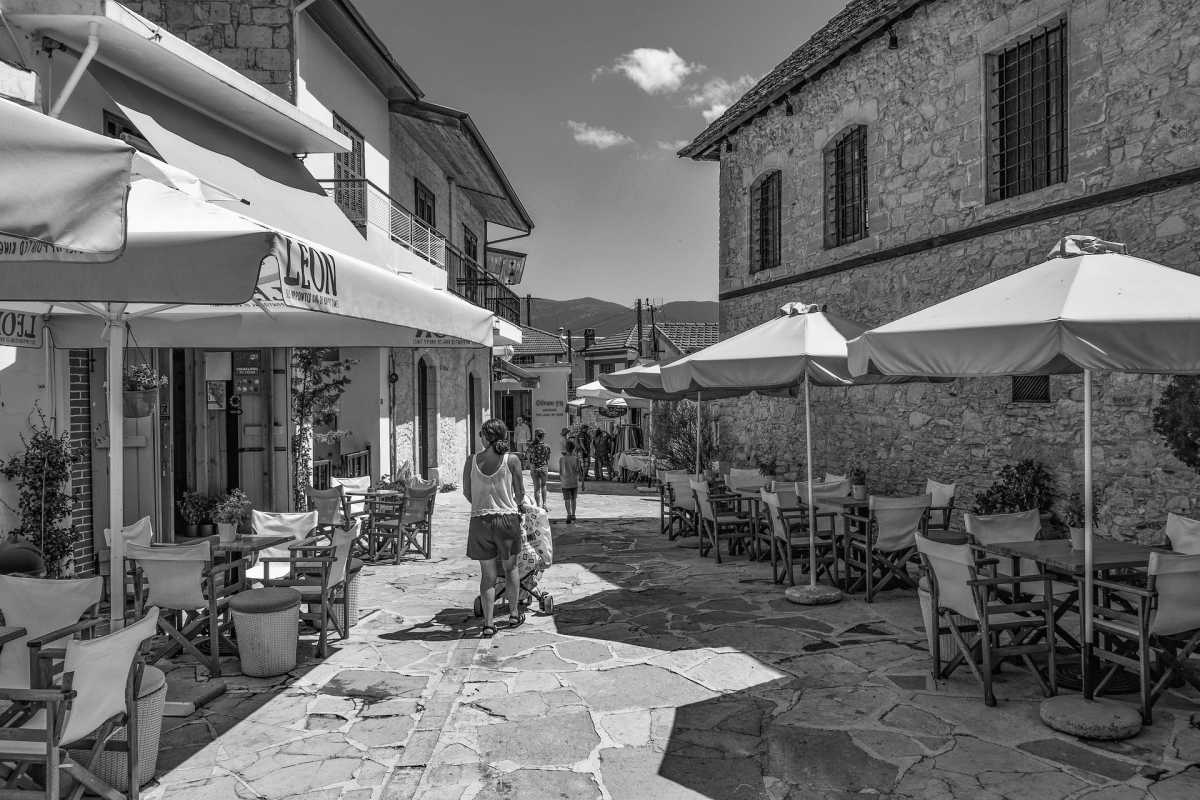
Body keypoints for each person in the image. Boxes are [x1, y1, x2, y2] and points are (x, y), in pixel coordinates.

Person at [461, 418, 527, 638]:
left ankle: (488, 624)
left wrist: (483, 504)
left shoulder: (471, 461)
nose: (479, 437)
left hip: (480, 521)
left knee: (487, 576)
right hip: (507, 520)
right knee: (511, 569)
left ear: (486, 437)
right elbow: (520, 493)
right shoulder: (512, 460)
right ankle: (514, 614)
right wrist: (515, 503)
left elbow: (467, 493)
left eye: (481, 434)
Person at [558, 439, 582, 524]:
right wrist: (582, 483)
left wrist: (561, 480)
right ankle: (573, 515)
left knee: (567, 500)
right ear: (573, 449)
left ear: (566, 449)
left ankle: (568, 514)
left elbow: (560, 472)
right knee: (573, 499)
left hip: (565, 482)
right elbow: (579, 471)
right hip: (574, 482)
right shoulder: (576, 459)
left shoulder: (561, 459)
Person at [526, 428, 551, 508]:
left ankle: (538, 506)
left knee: (536, 488)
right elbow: (548, 458)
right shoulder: (547, 447)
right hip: (544, 467)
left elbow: (527, 456)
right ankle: (544, 504)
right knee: (544, 485)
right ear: (542, 436)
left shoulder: (531, 446)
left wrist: (531, 463)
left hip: (534, 468)